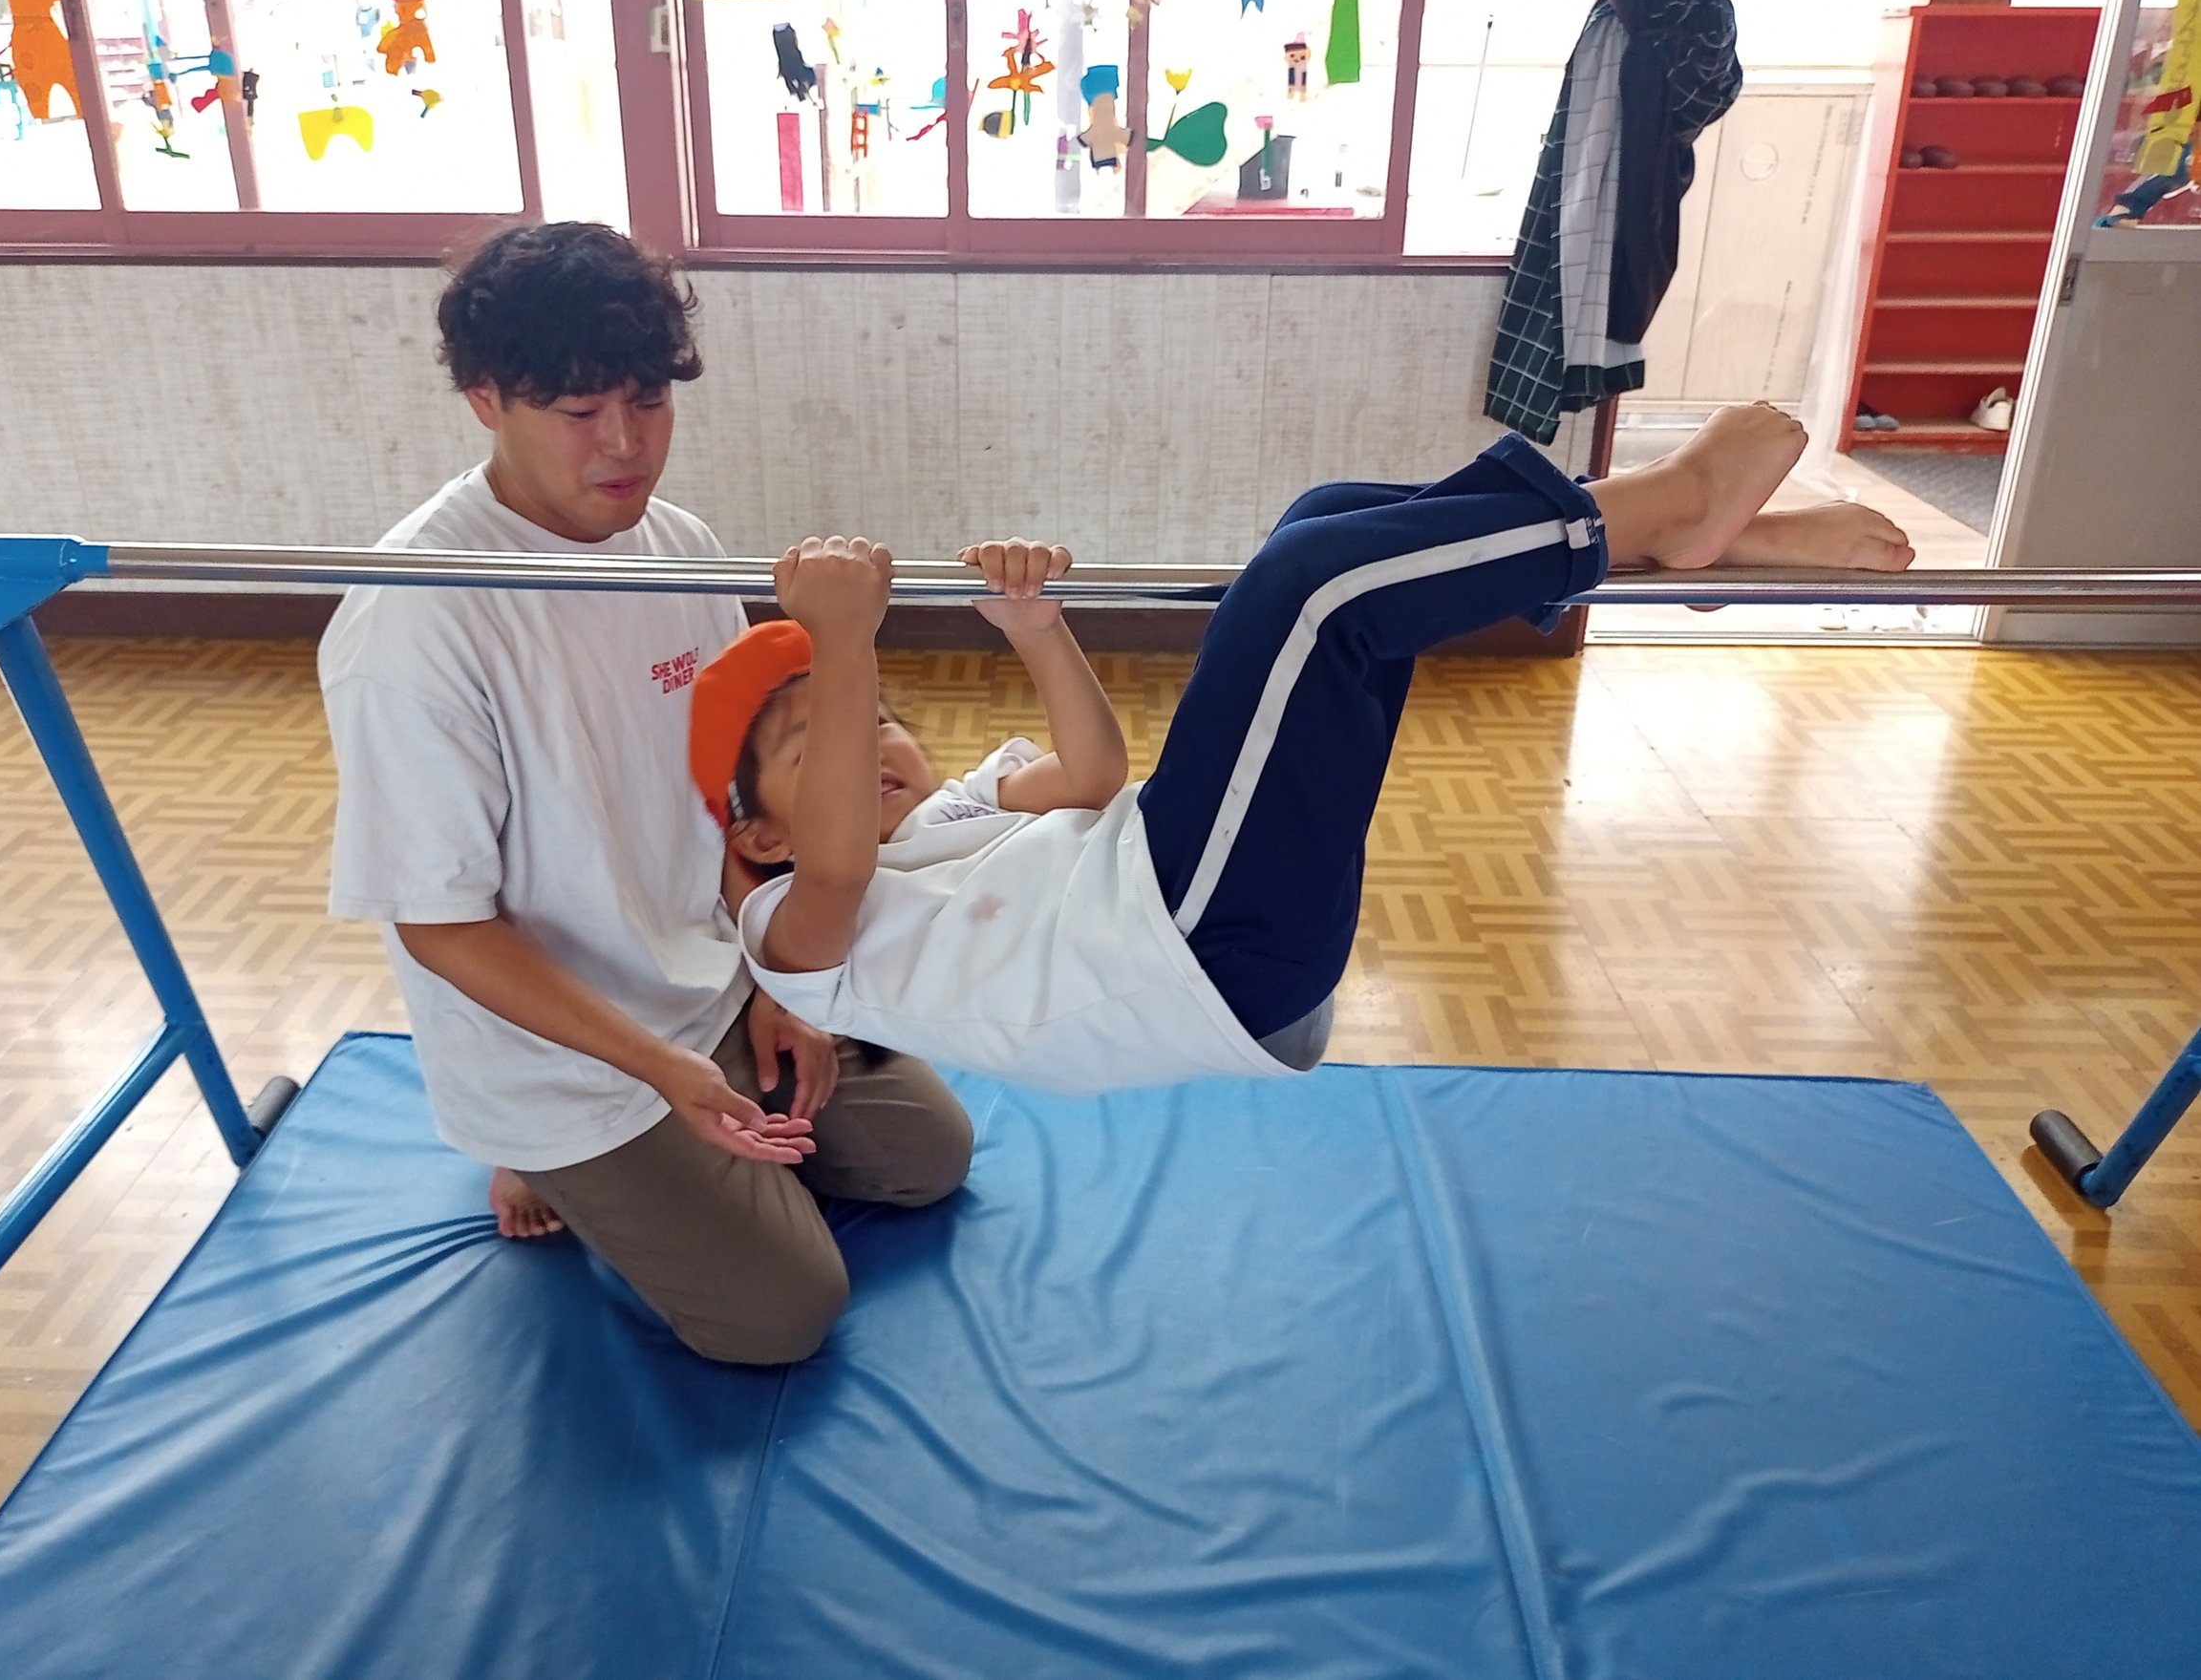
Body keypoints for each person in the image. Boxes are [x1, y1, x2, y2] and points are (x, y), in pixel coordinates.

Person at [697, 406, 1913, 1087]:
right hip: (1193, 954)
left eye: (874, 721)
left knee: (1324, 522)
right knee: (1315, 591)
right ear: (756, 832)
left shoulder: (954, 812)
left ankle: (1661, 541)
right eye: (814, 748)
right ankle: (1653, 514)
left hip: (1189, 894)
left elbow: (1092, 775)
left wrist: (1036, 629)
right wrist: (842, 645)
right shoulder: (793, 940)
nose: (869, 743)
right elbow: (841, 860)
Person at [319, 223, 971, 1366]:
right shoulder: (415, 621)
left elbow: (721, 797)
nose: (624, 445)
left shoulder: (679, 548)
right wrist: (662, 1071)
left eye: (649, 402)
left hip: (704, 983)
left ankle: (676, 1165)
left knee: (930, 1154)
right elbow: (440, 926)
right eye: (578, 413)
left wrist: (774, 983)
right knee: (781, 1315)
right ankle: (543, 1157)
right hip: (568, 1058)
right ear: (486, 401)